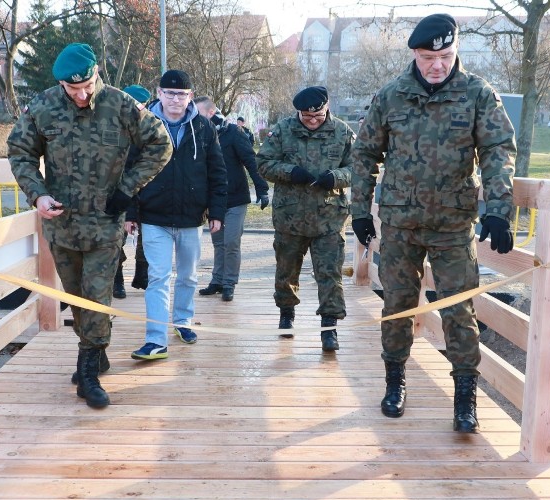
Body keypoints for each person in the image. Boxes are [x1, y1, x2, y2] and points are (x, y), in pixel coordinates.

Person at [350, 14, 516, 430]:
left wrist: (498, 208)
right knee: (397, 306)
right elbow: (364, 155)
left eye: (444, 55)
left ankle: (464, 399)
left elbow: (498, 150)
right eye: (428, 57)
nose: (437, 65)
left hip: (453, 224)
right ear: (415, 55)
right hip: (401, 224)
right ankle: (395, 383)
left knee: (459, 310)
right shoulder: (391, 96)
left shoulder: (478, 94)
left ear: (456, 50)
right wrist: (358, 210)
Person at [7, 43, 172, 409]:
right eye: (72, 89)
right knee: (76, 298)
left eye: (87, 86)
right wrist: (37, 194)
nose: (81, 96)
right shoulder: (43, 107)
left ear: (97, 73)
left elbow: (160, 144)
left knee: (96, 297)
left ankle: (87, 373)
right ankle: (96, 352)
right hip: (62, 224)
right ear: (61, 85)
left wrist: (128, 189)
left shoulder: (121, 104)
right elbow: (19, 151)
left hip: (104, 223)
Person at [125, 70, 227, 361]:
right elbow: (129, 171)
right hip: (154, 216)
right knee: (158, 277)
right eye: (169, 93)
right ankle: (155, 340)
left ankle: (182, 320)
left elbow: (217, 173)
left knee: (188, 276)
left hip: (190, 217)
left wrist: (216, 211)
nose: (175, 99)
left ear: (190, 97)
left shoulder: (204, 128)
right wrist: (131, 211)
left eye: (181, 94)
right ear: (158, 93)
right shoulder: (143, 125)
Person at [256, 86, 355, 352]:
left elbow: (359, 166)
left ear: (327, 108)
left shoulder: (343, 132)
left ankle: (329, 327)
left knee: (330, 273)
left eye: (318, 116)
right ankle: (286, 315)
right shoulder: (283, 130)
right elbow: (263, 163)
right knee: (286, 270)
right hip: (291, 216)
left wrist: (337, 177)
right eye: (306, 116)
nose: (312, 120)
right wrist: (290, 172)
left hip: (329, 217)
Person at [194, 98, 270, 302]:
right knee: (219, 243)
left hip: (236, 197)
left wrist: (262, 190)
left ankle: (229, 283)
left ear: (210, 113)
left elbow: (251, 162)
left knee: (231, 242)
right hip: (213, 200)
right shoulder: (199, 132)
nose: (193, 114)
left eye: (198, 111)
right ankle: (217, 280)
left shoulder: (233, 133)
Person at [112, 84, 153, 299]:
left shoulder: (149, 129)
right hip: (117, 192)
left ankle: (142, 274)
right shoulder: (112, 127)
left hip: (145, 190)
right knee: (116, 239)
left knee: (148, 237)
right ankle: (117, 280)